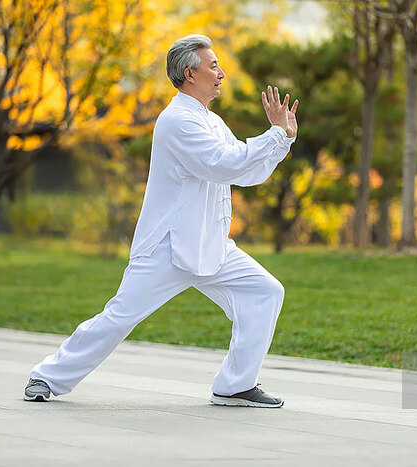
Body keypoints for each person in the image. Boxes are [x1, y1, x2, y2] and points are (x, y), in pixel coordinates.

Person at [24, 34, 298, 408]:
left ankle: (235, 385)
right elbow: (224, 164)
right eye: (213, 65)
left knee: (265, 292)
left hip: (212, 245)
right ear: (190, 73)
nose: (222, 73)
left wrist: (281, 141)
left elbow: (245, 172)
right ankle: (47, 376)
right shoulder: (177, 121)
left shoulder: (211, 121)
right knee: (118, 317)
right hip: (167, 249)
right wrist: (274, 134)